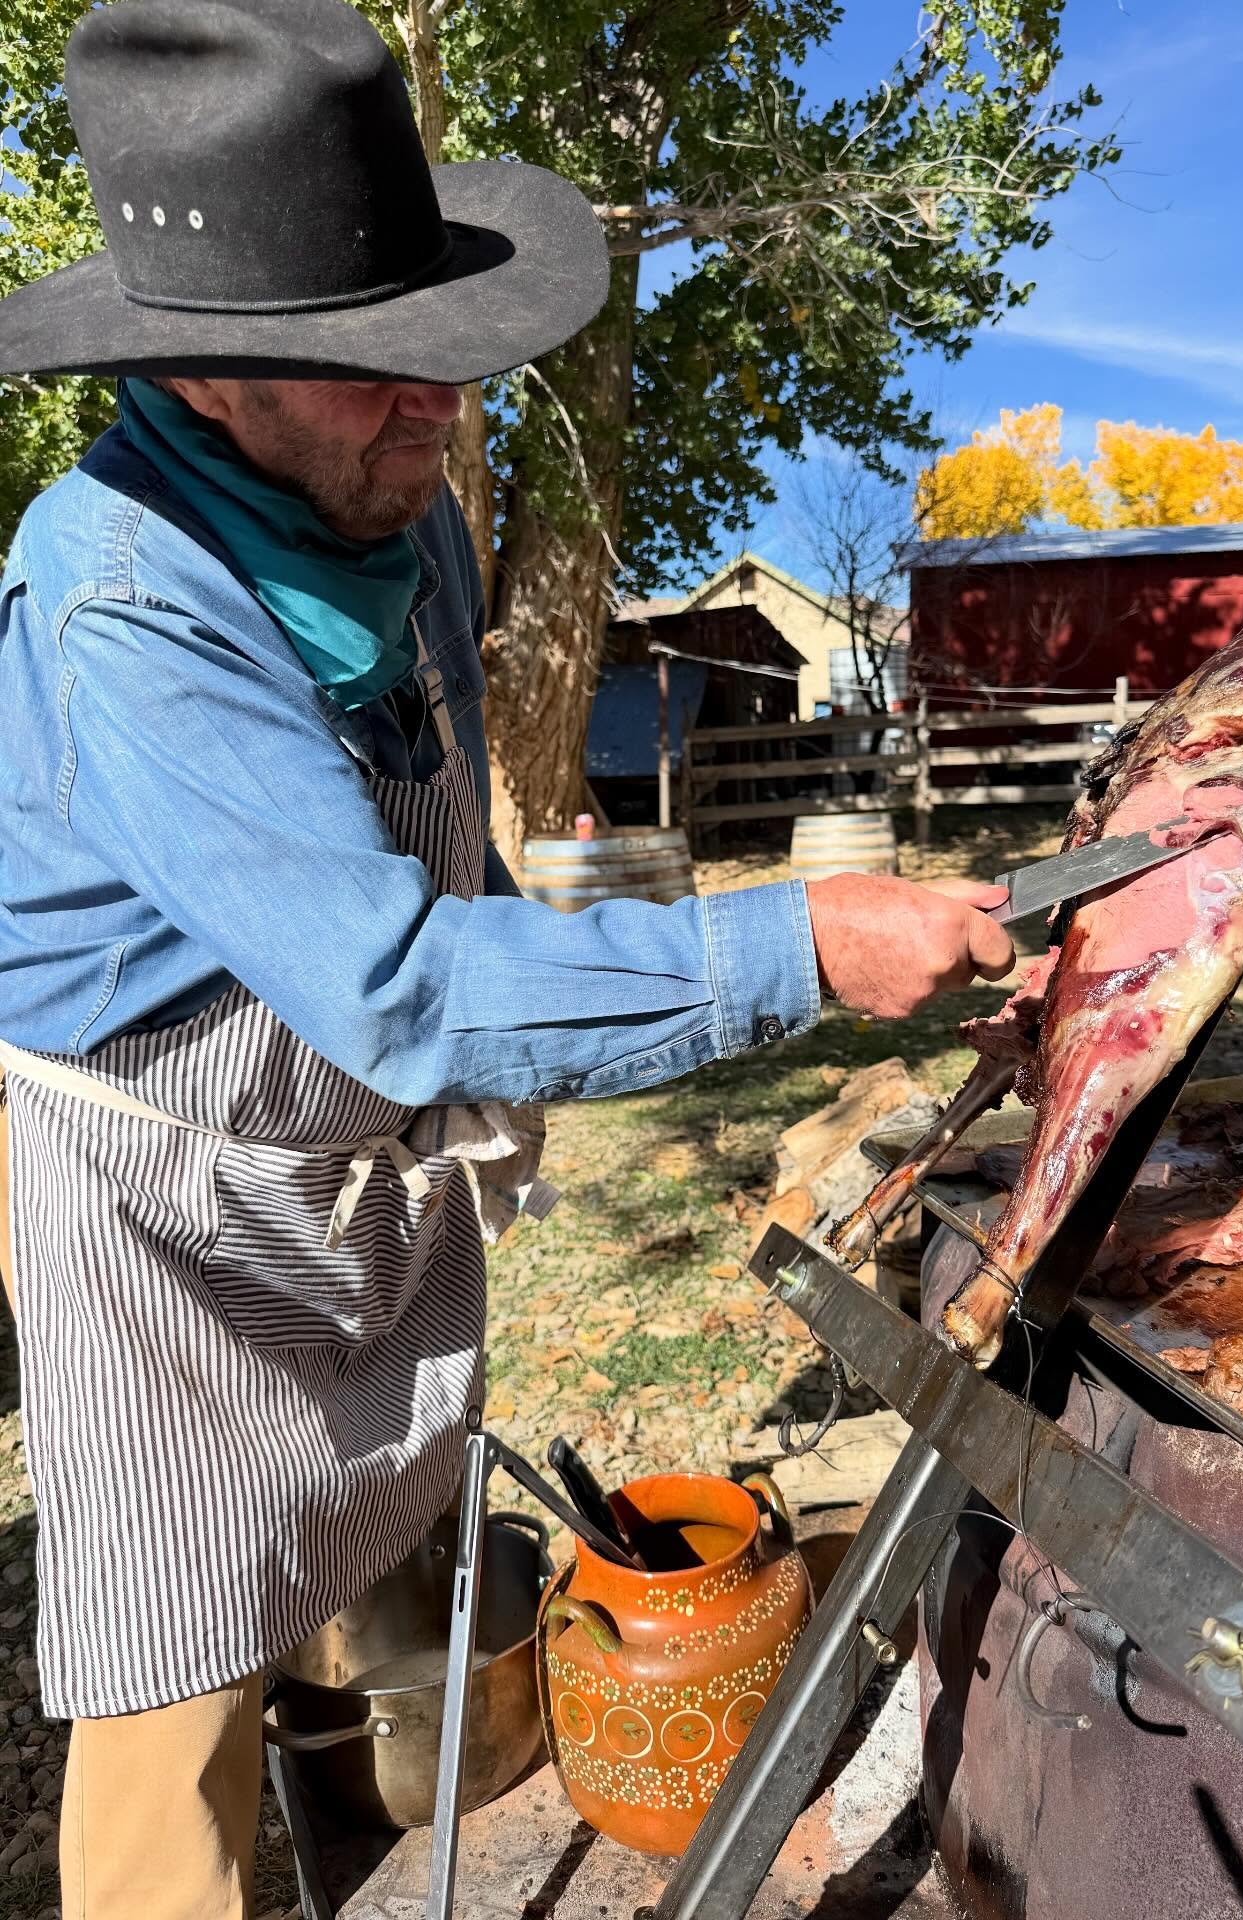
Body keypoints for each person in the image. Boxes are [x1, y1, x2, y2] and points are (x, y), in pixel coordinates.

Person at [0, 2, 1013, 1912]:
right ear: (200, 370)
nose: (439, 408)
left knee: (381, 1556)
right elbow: (399, 984)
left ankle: (382, 1823)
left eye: (442, 354)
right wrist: (793, 940)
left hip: (345, 1153)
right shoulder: (122, 602)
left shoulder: (403, 520)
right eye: (371, 370)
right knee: (180, 1675)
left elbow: (446, 856)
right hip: (153, 1193)